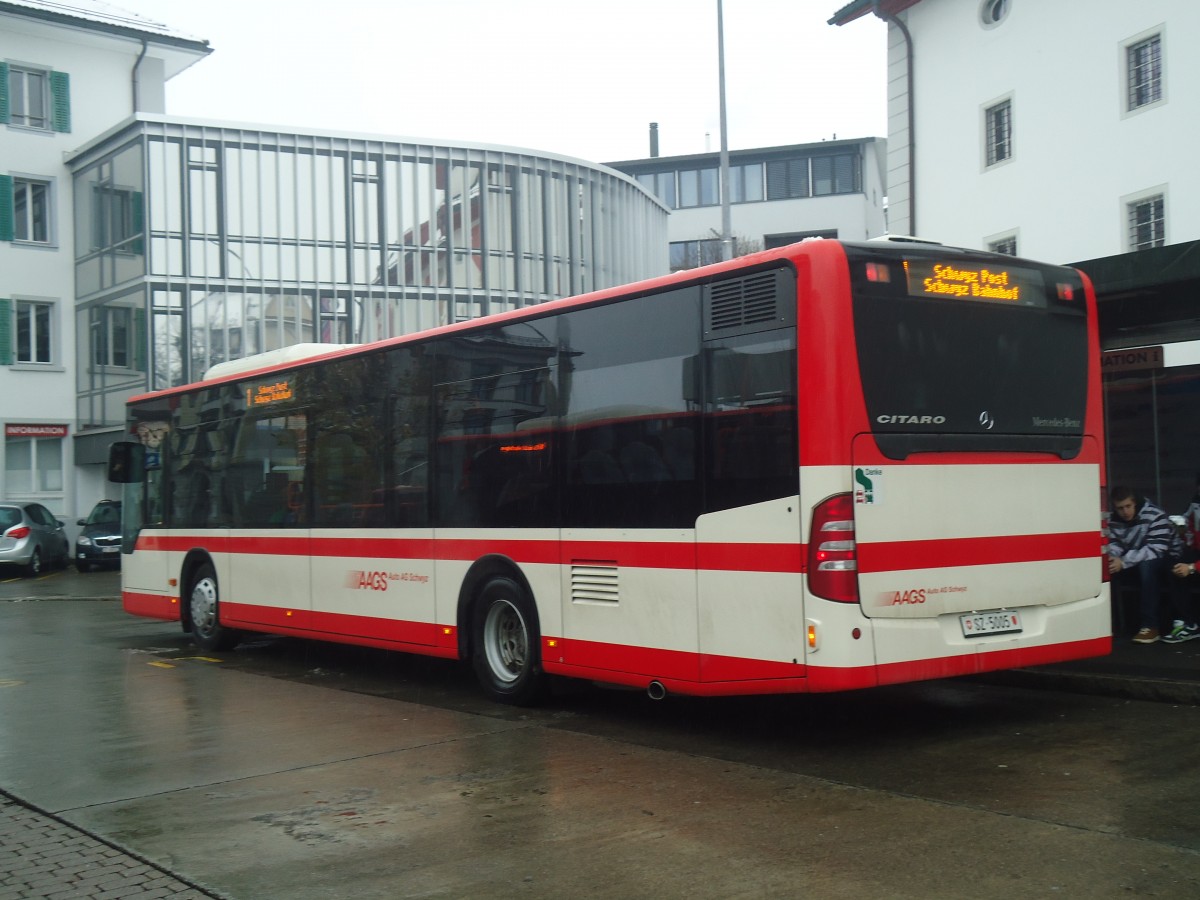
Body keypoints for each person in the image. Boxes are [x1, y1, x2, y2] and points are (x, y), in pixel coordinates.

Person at [1107, 486, 1182, 643]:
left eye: (1128, 506)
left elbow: (1156, 549)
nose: (1125, 512)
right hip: (1134, 557)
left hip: (1169, 558)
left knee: (1147, 566)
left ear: (1135, 503)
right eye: (1120, 508)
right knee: (1107, 567)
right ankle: (1110, 624)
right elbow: (1115, 543)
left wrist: (1124, 561)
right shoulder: (1113, 520)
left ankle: (1150, 626)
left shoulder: (1156, 515)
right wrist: (1113, 558)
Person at [1166, 474, 1200, 643]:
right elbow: (1188, 528)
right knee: (1176, 568)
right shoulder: (1195, 503)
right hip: (1196, 553)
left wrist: (1193, 567)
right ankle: (1186, 623)